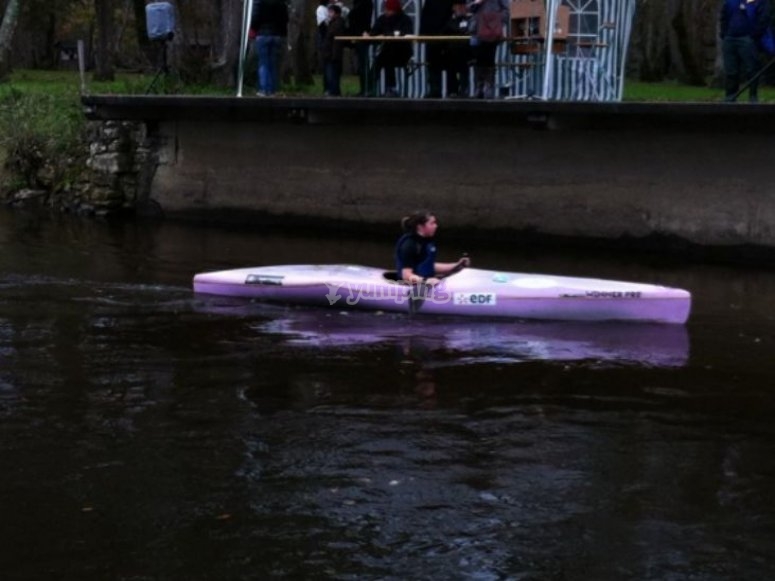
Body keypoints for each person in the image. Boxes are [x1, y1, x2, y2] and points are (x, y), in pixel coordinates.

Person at [395, 210, 470, 286]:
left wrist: (457, 265)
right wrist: (425, 281)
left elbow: (428, 265)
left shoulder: (426, 241)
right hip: (410, 286)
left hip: (425, 281)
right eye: (432, 223)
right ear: (420, 226)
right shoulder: (409, 245)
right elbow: (406, 275)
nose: (436, 226)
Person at [719, 0, 769, 102]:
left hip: (747, 38)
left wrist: (753, 35)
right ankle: (730, 96)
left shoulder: (758, 2)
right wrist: (724, 34)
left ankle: (753, 96)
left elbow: (763, 20)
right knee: (731, 70)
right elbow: (724, 17)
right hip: (730, 37)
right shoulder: (730, 2)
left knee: (751, 68)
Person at [364, 0, 414, 97]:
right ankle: (370, 88)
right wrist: (368, 35)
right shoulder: (382, 19)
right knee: (377, 63)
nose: (386, 11)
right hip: (387, 51)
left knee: (388, 60)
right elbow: (374, 32)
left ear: (395, 10)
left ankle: (391, 88)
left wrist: (386, 35)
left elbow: (407, 33)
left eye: (388, 9)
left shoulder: (405, 19)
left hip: (403, 52)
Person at [468, 0, 508, 99]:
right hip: (476, 29)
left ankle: (488, 86)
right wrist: (476, 3)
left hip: (492, 30)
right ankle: (479, 86)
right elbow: (468, 7)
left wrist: (496, 19)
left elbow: (506, 10)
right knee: (477, 58)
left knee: (489, 57)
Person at [252, 0, 289, 96]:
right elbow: (285, 19)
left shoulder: (259, 2)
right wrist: (283, 34)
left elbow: (255, 17)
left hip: (263, 33)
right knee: (273, 63)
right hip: (277, 35)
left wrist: (254, 29)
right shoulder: (281, 3)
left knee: (263, 62)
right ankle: (273, 89)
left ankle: (264, 89)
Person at [420, 0, 454, 98]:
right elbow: (425, 15)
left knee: (447, 64)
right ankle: (438, 89)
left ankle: (448, 90)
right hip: (436, 36)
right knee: (434, 64)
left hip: (445, 36)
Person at [441, 0, 473, 97]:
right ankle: (452, 90)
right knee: (451, 71)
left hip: (465, 52)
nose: (461, 8)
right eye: (458, 6)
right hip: (451, 52)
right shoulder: (449, 21)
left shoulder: (469, 20)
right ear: (453, 7)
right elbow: (445, 33)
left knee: (464, 71)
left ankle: (464, 90)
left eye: (462, 6)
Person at [348, 0, 374, 96]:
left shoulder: (364, 4)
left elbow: (360, 19)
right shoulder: (360, 4)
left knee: (364, 64)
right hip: (358, 35)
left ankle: (366, 89)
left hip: (362, 35)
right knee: (362, 64)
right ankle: (364, 88)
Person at [322, 4, 346, 95]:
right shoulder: (333, 23)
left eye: (331, 12)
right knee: (331, 74)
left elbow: (334, 41)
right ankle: (333, 90)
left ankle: (333, 91)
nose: (329, 14)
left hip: (332, 54)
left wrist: (333, 54)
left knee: (332, 74)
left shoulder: (337, 24)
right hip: (330, 53)